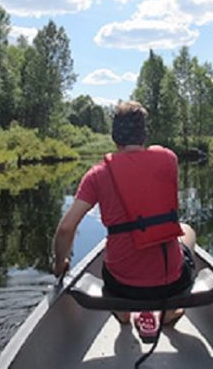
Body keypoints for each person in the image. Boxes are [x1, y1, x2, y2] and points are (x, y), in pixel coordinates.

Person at [52, 100, 196, 325]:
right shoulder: (169, 160)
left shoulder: (96, 175)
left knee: (114, 255)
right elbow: (157, 150)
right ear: (144, 134)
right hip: (171, 283)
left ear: (113, 136)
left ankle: (122, 312)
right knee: (187, 230)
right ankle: (169, 312)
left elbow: (66, 229)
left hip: (120, 285)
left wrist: (60, 263)